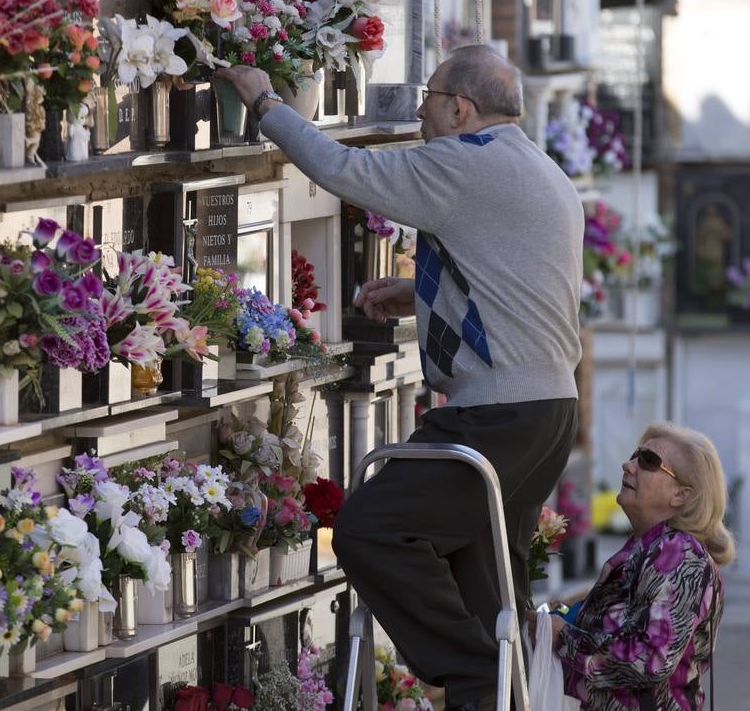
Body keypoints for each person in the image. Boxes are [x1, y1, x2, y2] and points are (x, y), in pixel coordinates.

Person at [216, 45, 584, 711]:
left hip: (495, 413)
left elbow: (344, 168)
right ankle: (490, 690)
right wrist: (421, 294)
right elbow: (519, 291)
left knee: (368, 529)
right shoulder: (538, 169)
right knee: (488, 590)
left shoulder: (465, 162)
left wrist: (265, 101)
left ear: (459, 108)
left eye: (429, 95)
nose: (418, 109)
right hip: (547, 409)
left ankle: (466, 673)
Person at [539, 423, 733, 711]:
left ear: (681, 495)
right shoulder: (646, 548)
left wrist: (561, 636)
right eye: (634, 455)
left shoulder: (677, 553)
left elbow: (648, 658)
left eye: (648, 461)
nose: (628, 466)